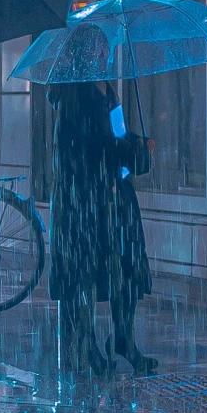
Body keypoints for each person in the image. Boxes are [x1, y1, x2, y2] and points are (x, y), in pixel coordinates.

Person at [47, 75, 156, 376]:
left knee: (127, 269)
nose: (106, 58)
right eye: (101, 51)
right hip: (85, 203)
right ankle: (86, 345)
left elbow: (115, 134)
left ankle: (123, 339)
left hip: (113, 200)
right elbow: (97, 146)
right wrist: (130, 150)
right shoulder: (74, 98)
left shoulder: (107, 91)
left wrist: (135, 142)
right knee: (85, 275)